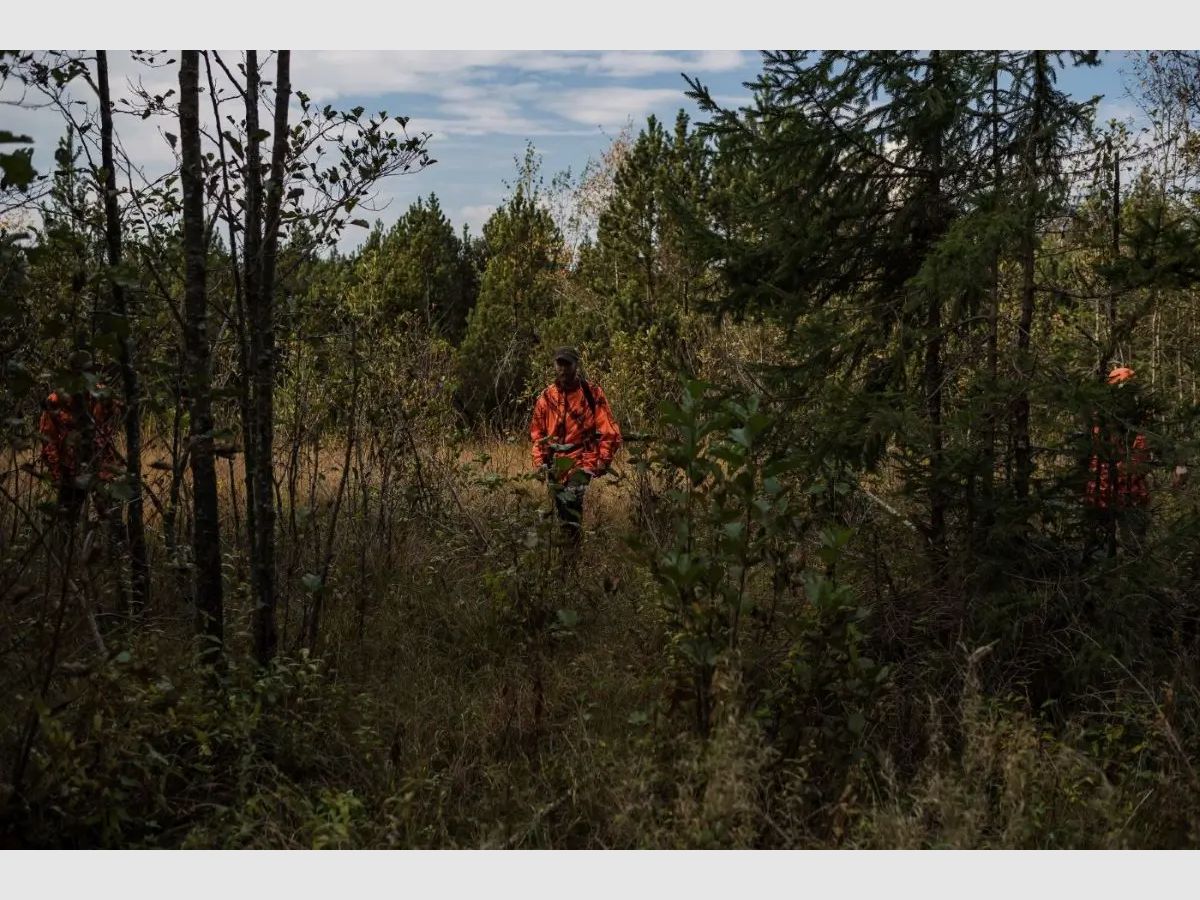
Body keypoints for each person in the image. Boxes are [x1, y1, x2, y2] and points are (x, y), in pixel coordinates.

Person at [529, 347, 622, 549]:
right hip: (554, 464)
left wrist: (601, 462)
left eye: (567, 364)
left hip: (581, 461)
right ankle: (569, 559)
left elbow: (610, 431)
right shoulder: (547, 397)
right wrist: (540, 462)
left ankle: (570, 558)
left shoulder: (592, 394)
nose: (563, 369)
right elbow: (537, 434)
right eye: (559, 364)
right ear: (554, 365)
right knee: (562, 511)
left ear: (576, 365)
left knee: (571, 505)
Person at [39, 354, 121, 527]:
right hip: (71, 468)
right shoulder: (56, 401)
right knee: (67, 520)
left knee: (111, 517)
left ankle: (115, 549)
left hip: (99, 464)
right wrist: (57, 471)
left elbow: (112, 412)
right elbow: (49, 440)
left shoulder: (99, 394)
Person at [1084, 366, 1151, 555]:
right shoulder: (1099, 419)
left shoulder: (1138, 421)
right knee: (1103, 551)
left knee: (1131, 549)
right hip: (1103, 494)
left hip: (1130, 495)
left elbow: (1141, 455)